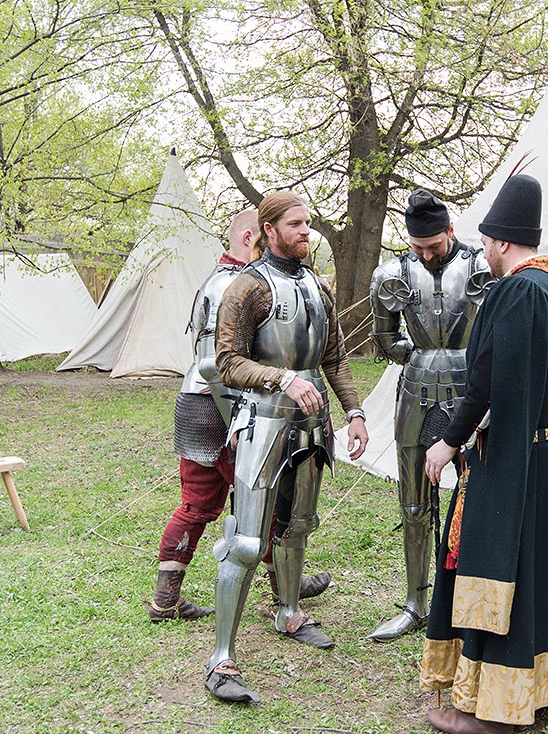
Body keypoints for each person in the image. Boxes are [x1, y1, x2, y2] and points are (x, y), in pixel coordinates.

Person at [421, 174, 548, 734]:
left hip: (514, 456)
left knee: (503, 569)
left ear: (503, 242)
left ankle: (495, 712)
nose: (483, 250)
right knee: (542, 568)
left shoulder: (515, 291)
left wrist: (449, 441)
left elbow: (486, 382)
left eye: (486, 241)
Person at [204, 191, 369, 703]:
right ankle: (221, 658)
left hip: (311, 426)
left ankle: (290, 612)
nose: (306, 231)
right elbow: (225, 363)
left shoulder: (319, 286)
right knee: (249, 541)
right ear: (268, 229)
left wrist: (355, 413)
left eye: (309, 222)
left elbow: (335, 359)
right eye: (296, 223)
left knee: (298, 527)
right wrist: (280, 378)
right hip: (261, 423)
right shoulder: (247, 287)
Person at [149, 209, 331, 624]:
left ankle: (166, 597)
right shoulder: (239, 283)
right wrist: (237, 422)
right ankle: (283, 585)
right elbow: (219, 365)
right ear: (254, 235)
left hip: (200, 401)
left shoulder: (217, 279)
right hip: (222, 405)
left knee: (200, 504)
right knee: (261, 500)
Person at [366, 189, 494, 642]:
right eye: (418, 247)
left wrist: (467, 356)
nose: (425, 254)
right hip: (415, 389)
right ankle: (416, 603)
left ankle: (467, 602)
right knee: (414, 503)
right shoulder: (394, 273)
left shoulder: (481, 265)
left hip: (472, 389)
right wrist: (420, 352)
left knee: (475, 498)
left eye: (433, 246)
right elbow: (384, 338)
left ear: (450, 231)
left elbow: (498, 324)